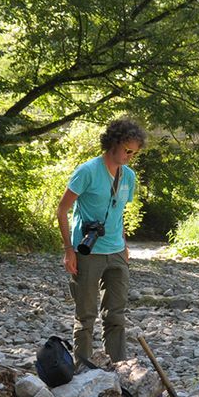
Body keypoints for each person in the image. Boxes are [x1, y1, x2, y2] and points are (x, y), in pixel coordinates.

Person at [57, 118, 146, 365]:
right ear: (113, 143)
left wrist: (125, 246)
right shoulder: (87, 171)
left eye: (134, 153)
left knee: (116, 315)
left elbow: (119, 214)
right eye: (127, 150)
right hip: (87, 251)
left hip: (116, 252)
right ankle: (83, 369)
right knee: (85, 316)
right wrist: (69, 250)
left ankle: (119, 368)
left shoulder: (129, 176)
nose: (130, 156)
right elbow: (62, 210)